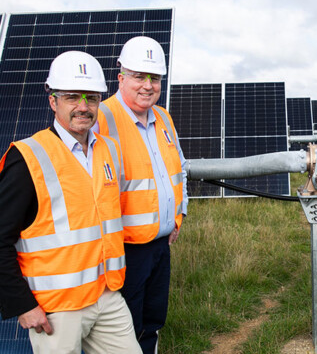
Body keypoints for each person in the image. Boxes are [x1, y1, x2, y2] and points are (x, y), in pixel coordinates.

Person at [0, 51, 141, 353]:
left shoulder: (110, 151)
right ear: (53, 101)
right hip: (56, 308)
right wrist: (21, 304)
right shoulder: (27, 158)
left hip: (106, 296)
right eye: (72, 97)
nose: (83, 107)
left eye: (91, 98)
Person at [96, 35, 188, 354]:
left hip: (161, 244)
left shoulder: (163, 118)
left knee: (152, 319)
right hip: (125, 249)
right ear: (121, 77)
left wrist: (179, 214)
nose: (147, 85)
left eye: (154, 78)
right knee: (125, 327)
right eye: (139, 76)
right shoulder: (101, 119)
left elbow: (180, 169)